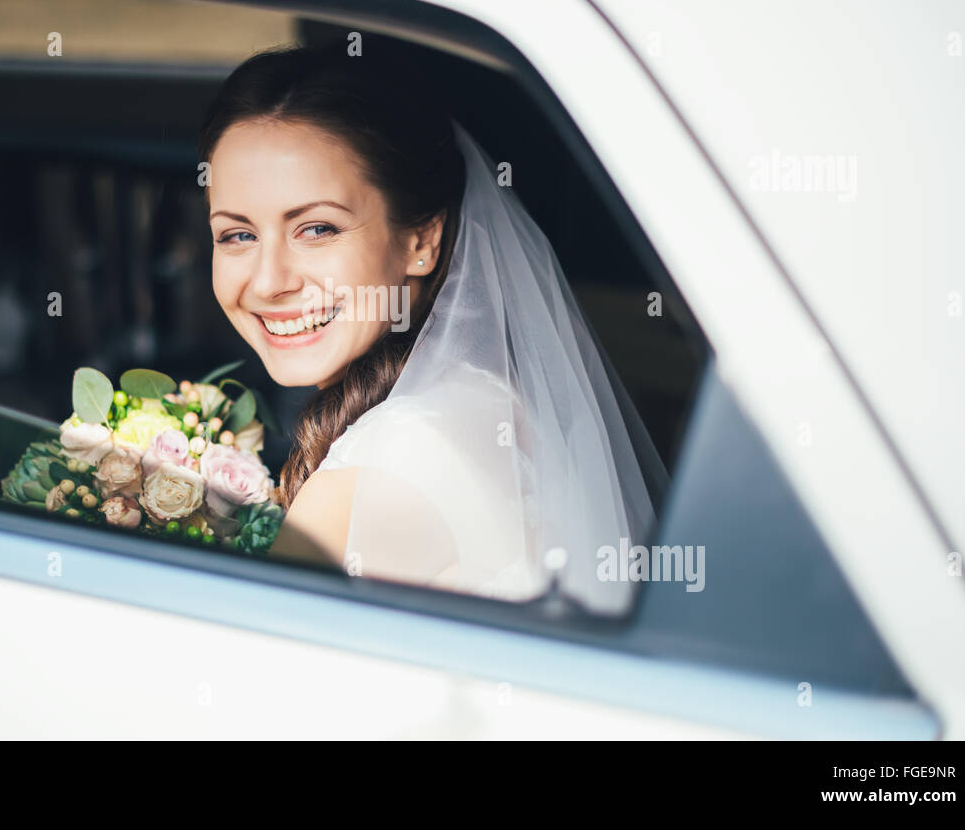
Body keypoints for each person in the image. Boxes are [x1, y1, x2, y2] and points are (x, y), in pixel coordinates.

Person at [200, 44, 659, 613]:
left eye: (317, 229)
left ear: (421, 240)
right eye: (237, 235)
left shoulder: (357, 492)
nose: (269, 282)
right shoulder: (490, 401)